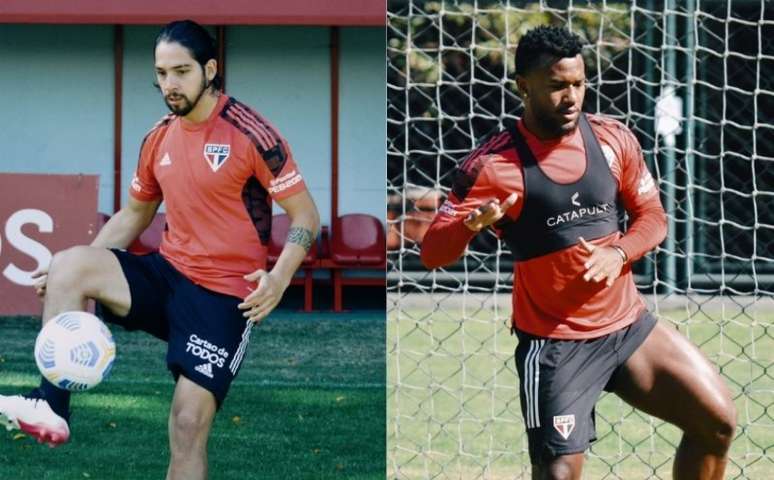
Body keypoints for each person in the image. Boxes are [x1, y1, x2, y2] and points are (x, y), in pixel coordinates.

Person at [0, 20, 319, 480]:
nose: (169, 84)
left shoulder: (251, 133)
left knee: (187, 425)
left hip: (226, 295)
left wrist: (280, 276)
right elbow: (135, 215)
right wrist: (69, 277)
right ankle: (52, 406)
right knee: (68, 265)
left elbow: (307, 216)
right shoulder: (158, 137)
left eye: (181, 71)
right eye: (162, 73)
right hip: (167, 275)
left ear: (210, 69)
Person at [420, 26, 736, 480]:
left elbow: (653, 218)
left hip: (629, 330)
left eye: (578, 84)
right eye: (557, 86)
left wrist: (619, 253)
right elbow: (432, 253)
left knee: (716, 423)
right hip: (555, 345)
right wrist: (470, 227)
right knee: (558, 475)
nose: (571, 97)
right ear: (524, 87)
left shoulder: (613, 139)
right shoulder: (492, 165)